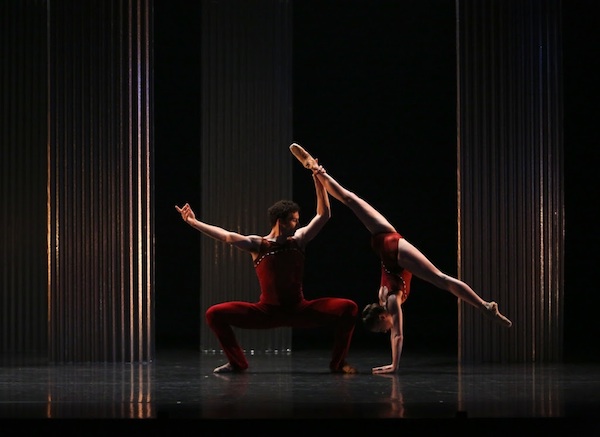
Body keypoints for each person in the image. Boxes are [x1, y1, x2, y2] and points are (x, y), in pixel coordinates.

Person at [289, 143, 512, 375]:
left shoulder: (392, 302)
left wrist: (394, 365)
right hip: (381, 241)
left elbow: (398, 334)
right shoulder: (381, 296)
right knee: (350, 199)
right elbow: (393, 324)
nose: (386, 330)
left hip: (394, 251)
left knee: (441, 279)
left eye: (381, 328)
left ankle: (485, 306)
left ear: (383, 316)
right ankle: (315, 168)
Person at [175, 171, 359, 374]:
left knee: (348, 307)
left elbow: (324, 215)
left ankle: (338, 363)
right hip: (267, 312)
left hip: (299, 310)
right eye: (293, 220)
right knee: (214, 314)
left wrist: (318, 178)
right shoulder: (258, 245)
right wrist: (194, 222)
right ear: (280, 221)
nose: (298, 223)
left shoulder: (299, 241)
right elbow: (227, 236)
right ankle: (238, 363)